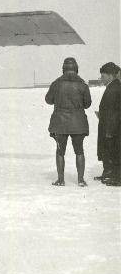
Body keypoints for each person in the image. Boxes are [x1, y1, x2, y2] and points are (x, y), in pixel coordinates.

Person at [45, 57, 92, 186]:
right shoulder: (83, 85)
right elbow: (87, 104)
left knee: (60, 152)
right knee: (79, 151)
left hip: (60, 123)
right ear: (76, 69)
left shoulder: (56, 84)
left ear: (63, 69)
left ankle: (60, 180)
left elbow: (48, 100)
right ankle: (81, 180)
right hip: (78, 123)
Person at [96, 62, 121, 186]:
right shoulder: (113, 86)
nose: (101, 78)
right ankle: (111, 174)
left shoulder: (114, 88)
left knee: (115, 152)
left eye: (103, 75)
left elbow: (116, 112)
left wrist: (110, 130)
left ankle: (117, 178)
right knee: (110, 151)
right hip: (110, 125)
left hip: (112, 127)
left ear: (110, 76)